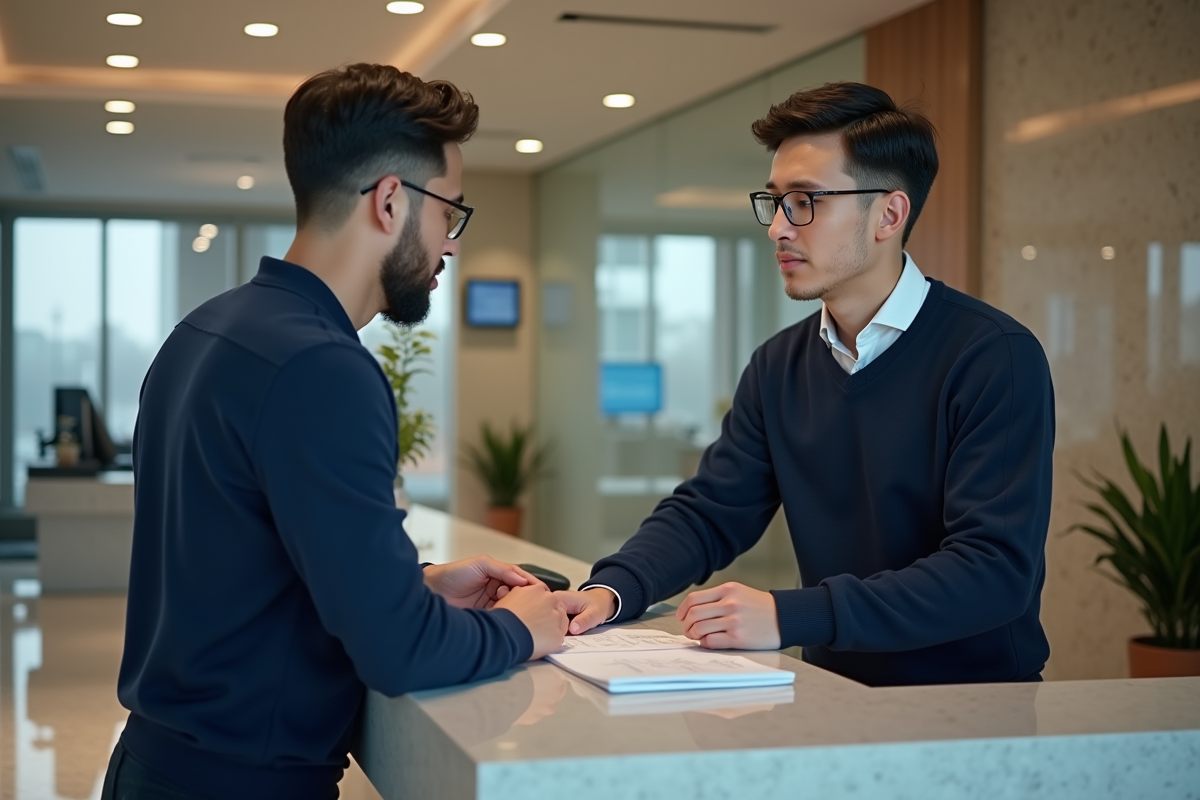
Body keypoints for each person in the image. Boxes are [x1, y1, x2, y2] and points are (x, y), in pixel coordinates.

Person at [102, 64, 569, 799]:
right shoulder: (322, 367)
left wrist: (414, 586)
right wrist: (524, 628)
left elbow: (243, 565)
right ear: (390, 201)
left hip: (157, 764)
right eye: (452, 213)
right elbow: (398, 653)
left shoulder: (208, 330)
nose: (451, 245)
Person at [563, 82, 1055, 687]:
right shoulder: (779, 365)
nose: (778, 229)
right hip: (831, 693)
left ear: (889, 214)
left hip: (975, 709)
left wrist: (789, 613)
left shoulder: (992, 357)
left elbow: (993, 571)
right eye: (775, 202)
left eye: (805, 201)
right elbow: (710, 512)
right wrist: (612, 589)